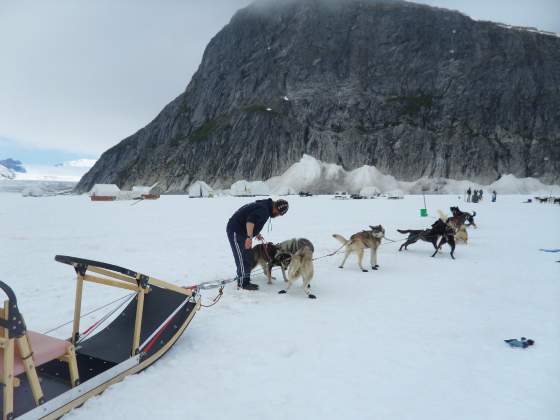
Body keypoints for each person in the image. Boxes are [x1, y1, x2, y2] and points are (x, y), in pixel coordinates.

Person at [226, 198, 289, 290]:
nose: (277, 216)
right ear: (277, 209)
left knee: (247, 255)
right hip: (236, 230)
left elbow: (253, 219)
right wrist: (249, 237)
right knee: (242, 256)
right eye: (279, 214)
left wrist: (256, 233)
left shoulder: (265, 207)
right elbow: (250, 220)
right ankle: (243, 283)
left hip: (243, 231)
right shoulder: (264, 209)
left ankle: (244, 279)